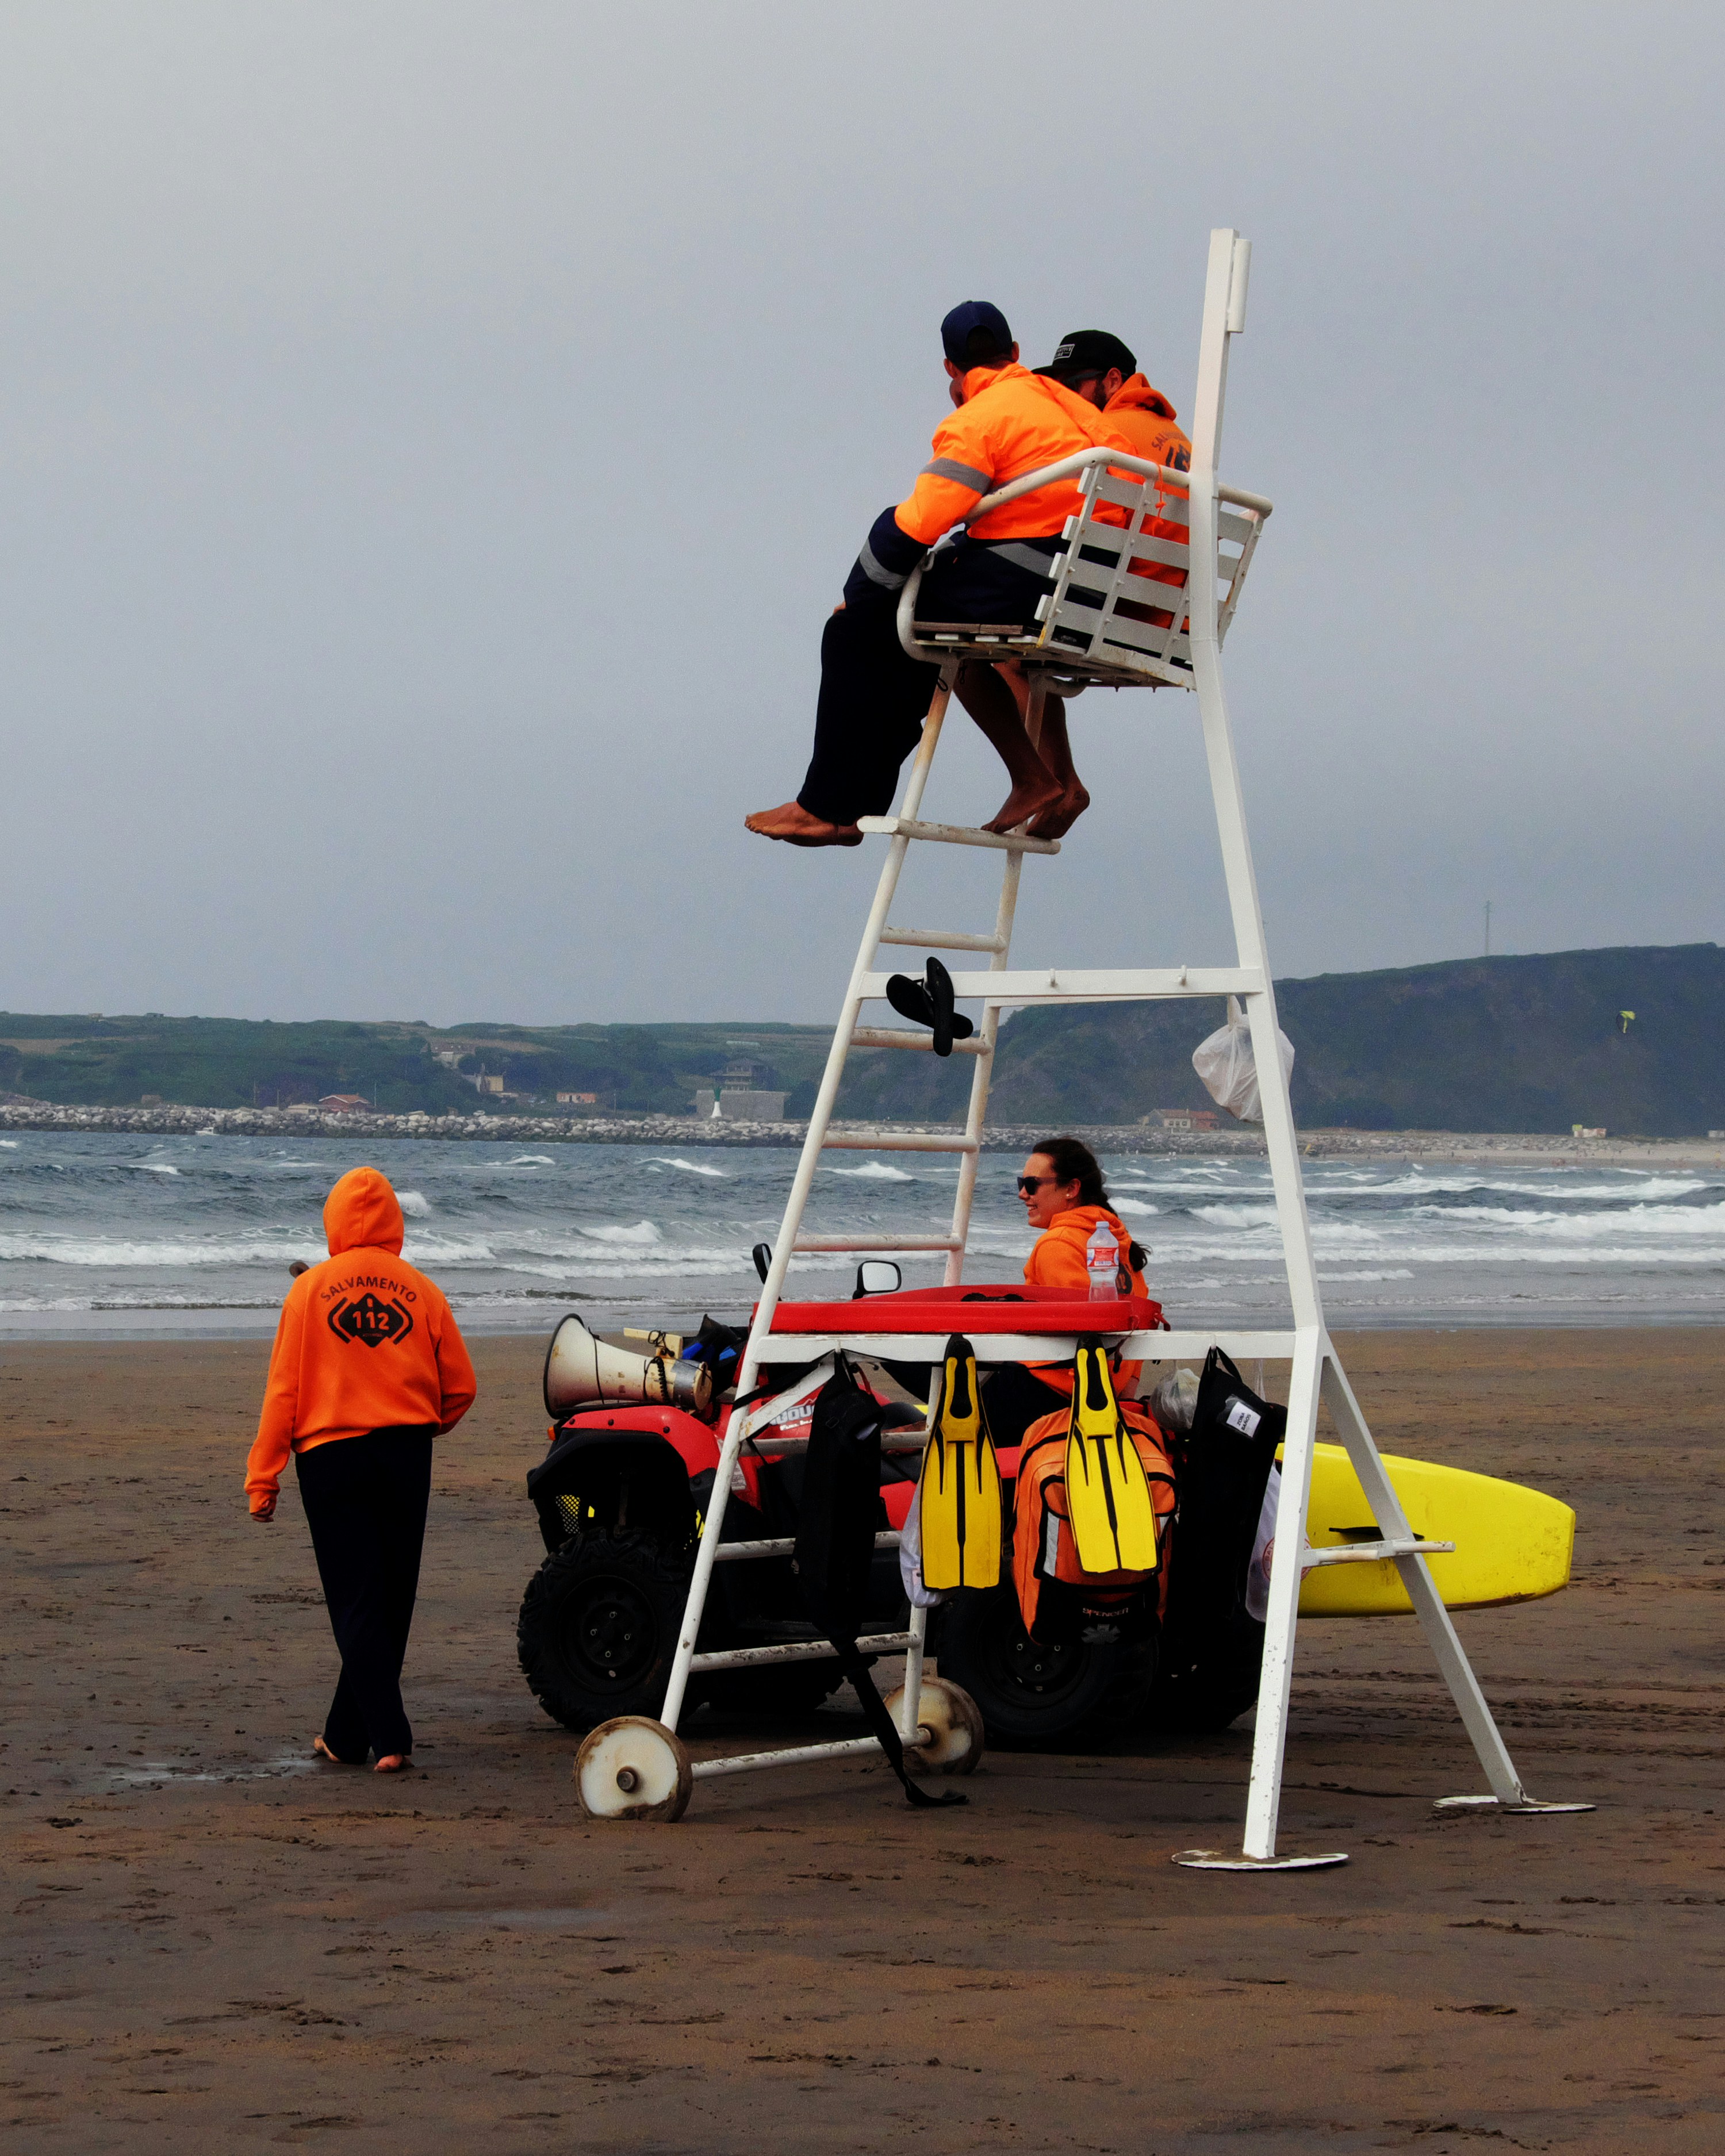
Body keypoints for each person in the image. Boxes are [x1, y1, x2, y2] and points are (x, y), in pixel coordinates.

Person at [745, 301, 1134, 850]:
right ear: (1017, 354)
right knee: (920, 631)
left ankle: (829, 808)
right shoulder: (1077, 411)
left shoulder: (979, 419)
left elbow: (918, 523)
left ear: (950, 369)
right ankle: (1013, 780)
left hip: (1031, 581)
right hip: (1089, 585)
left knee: (855, 630)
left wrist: (858, 594)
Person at [246, 1167, 477, 1774]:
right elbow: (462, 1386)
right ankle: (346, 1737)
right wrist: (426, 1424)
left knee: (355, 1599)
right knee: (390, 1596)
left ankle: (390, 1736)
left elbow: (283, 1392)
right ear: (395, 1221)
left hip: (331, 1455)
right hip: (405, 1452)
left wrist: (263, 1474)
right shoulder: (421, 1289)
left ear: (333, 1221)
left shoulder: (308, 1291)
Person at [964, 331, 1197, 835]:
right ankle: (1058, 782)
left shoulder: (1105, 435)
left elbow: (1054, 509)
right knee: (1030, 619)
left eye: (1076, 383)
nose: (1068, 396)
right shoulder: (1175, 439)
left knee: (987, 636)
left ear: (1114, 380)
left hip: (1122, 607)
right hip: (1170, 616)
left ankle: (1050, 778)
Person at [980, 1134, 1151, 1444]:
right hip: (1100, 1392)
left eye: (1032, 1184)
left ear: (1072, 1189)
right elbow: (1139, 1320)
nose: (1022, 1194)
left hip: (1050, 1395)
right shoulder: (1118, 1241)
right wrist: (1125, 1394)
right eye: (1022, 1182)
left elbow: (1082, 1331)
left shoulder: (1058, 1243)